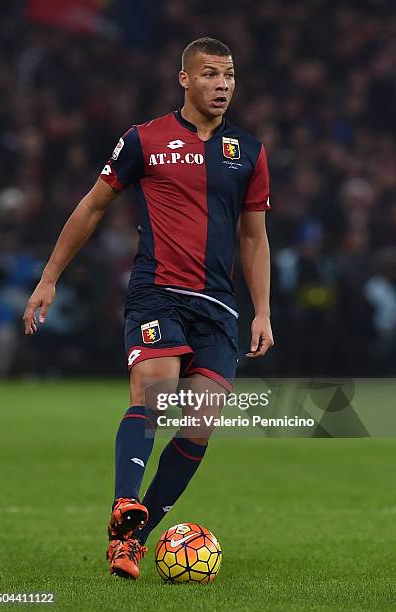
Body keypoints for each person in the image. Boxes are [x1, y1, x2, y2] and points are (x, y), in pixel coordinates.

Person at [23, 37, 274, 580]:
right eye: (210, 75)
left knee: (201, 423)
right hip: (156, 292)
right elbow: (92, 206)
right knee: (154, 393)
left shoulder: (247, 151)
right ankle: (123, 504)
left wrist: (262, 312)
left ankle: (132, 541)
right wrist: (49, 278)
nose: (222, 85)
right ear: (184, 79)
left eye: (229, 75)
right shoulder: (144, 140)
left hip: (218, 306)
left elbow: (254, 237)